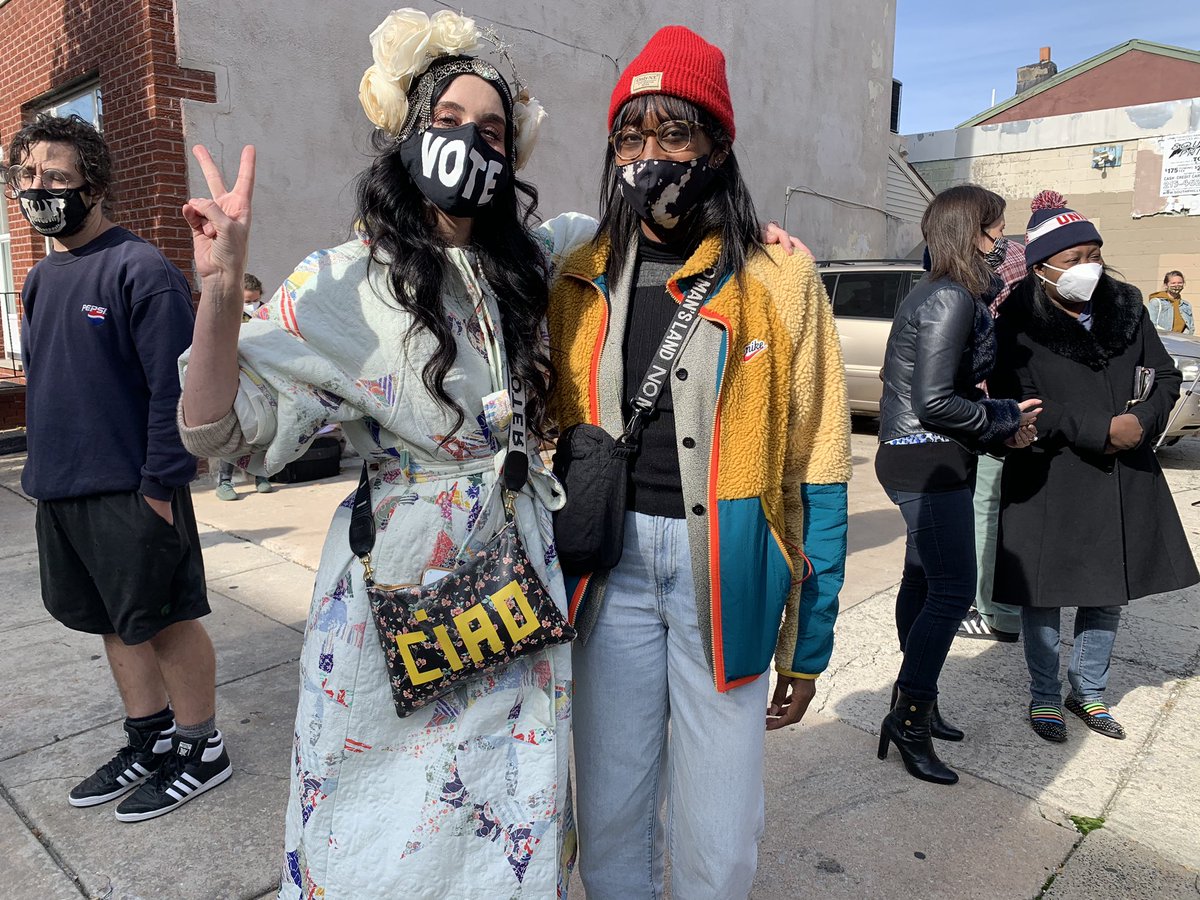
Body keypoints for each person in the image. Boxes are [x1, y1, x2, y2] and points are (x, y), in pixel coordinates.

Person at [176, 9, 598, 897]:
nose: (470, 146)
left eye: (492, 131)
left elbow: (632, 232)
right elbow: (219, 431)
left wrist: (757, 246)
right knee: (384, 822)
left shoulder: (530, 261)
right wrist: (219, 298)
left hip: (516, 572)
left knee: (512, 810)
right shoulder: (343, 281)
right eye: (447, 125)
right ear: (406, 136)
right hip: (400, 588)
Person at [547, 27, 853, 899]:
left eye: (675, 133)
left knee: (719, 844)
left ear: (718, 143)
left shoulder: (779, 276)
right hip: (607, 577)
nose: (651, 157)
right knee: (607, 822)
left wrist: (810, 639)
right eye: (631, 138)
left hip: (728, 576)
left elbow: (820, 460)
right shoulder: (579, 275)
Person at [6, 114, 230, 821]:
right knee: (112, 620)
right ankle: (151, 736)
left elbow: (176, 388)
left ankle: (201, 748)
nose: (40, 189)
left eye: (58, 177)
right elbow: (46, 380)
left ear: (94, 185)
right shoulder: (41, 278)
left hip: (135, 489)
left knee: (164, 621)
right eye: (28, 176)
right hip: (61, 488)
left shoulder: (141, 270)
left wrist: (162, 488)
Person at [990, 192, 1199, 743]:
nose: (1089, 267)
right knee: (1044, 597)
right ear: (1043, 269)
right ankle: (1043, 696)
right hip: (1049, 474)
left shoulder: (1126, 306)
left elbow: (1166, 377)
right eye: (1076, 257)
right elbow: (1017, 398)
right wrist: (1096, 429)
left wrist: (1142, 423)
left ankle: (1090, 692)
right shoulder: (1016, 319)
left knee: (1106, 593)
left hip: (1122, 473)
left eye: (1095, 254)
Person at [874, 184, 1040, 785]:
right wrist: (1005, 419)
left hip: (923, 454)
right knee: (952, 589)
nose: (1004, 243)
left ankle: (914, 699)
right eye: (997, 231)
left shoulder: (941, 293)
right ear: (972, 233)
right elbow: (937, 401)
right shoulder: (950, 299)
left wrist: (995, 426)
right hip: (926, 457)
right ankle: (911, 716)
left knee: (922, 578)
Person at [959, 231, 1028, 642]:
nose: (999, 235)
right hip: (1006, 410)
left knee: (985, 510)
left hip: (995, 412)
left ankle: (993, 613)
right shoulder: (1023, 263)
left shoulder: (998, 273)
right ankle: (998, 607)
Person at [214, 272, 274, 499]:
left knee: (264, 425)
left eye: (255, 300)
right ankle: (225, 482)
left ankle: (262, 475)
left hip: (262, 376)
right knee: (235, 430)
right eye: (247, 301)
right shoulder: (226, 314)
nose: (253, 305)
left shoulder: (267, 312)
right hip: (235, 377)